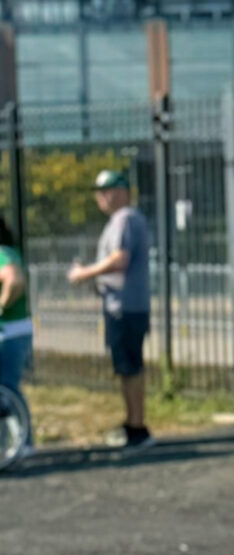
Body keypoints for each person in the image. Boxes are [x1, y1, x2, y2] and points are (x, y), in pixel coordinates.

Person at [67, 170, 154, 450]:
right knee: (128, 367)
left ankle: (137, 427)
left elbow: (119, 260)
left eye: (106, 190)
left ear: (122, 191)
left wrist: (85, 273)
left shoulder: (125, 219)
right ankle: (133, 423)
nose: (100, 196)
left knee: (130, 367)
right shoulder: (123, 220)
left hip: (125, 307)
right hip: (125, 305)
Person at [0, 215, 34, 460]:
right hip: (13, 331)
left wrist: (0, 306)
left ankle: (22, 443)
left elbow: (14, 280)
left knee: (7, 390)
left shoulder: (2, 253)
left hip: (10, 332)